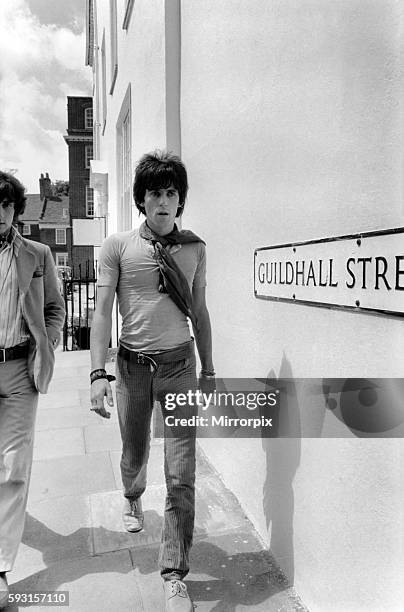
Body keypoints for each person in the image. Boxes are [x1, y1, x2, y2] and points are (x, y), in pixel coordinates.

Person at [90, 150, 214, 612]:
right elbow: (102, 310)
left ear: (180, 200)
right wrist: (97, 372)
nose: (163, 201)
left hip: (180, 365)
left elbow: (199, 312)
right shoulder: (117, 246)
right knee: (133, 450)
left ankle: (174, 574)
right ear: (142, 200)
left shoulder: (195, 249)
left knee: (181, 473)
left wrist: (211, 368)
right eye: (154, 193)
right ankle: (132, 495)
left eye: (171, 193)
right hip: (131, 366)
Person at [0, 172, 65, 609]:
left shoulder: (37, 254)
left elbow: (56, 307)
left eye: (5, 205)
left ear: (15, 210)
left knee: (13, 468)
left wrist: (47, 343)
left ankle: (1, 569)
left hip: (21, 370)